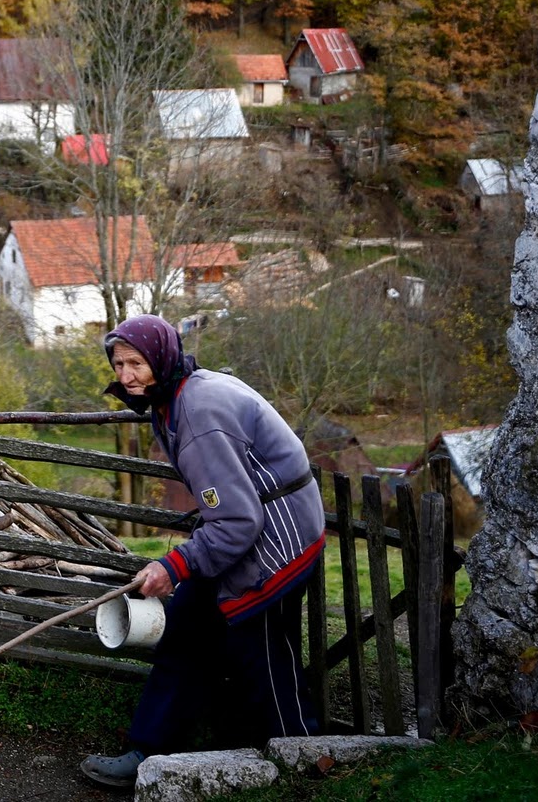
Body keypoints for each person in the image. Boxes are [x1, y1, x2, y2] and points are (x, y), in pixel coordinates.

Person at [80, 314, 325, 789]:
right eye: (118, 363)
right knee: (185, 629)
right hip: (244, 525)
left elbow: (239, 519)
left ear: (163, 358)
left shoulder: (197, 413)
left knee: (262, 649)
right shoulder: (174, 394)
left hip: (278, 538)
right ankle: (146, 752)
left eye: (136, 362)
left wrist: (177, 563)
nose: (125, 375)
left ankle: (306, 758)